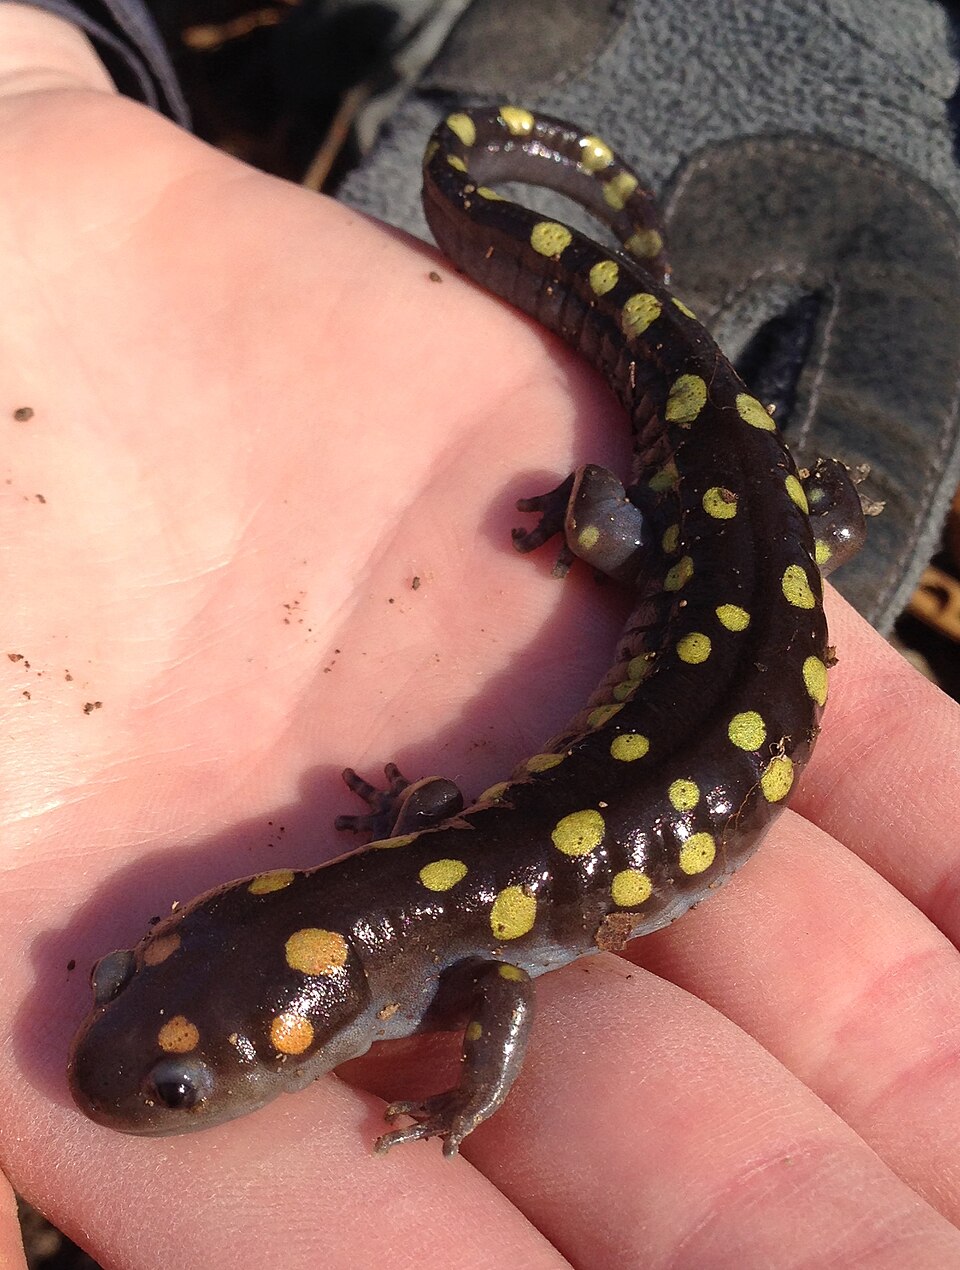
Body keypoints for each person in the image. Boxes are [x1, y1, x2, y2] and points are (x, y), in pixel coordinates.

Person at [3, 5, 960, 1266]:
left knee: (644, 529)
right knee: (652, 530)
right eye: (138, 998)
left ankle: (774, 474)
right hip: (702, 566)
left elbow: (484, 949)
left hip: (694, 552)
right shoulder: (431, 913)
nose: (114, 996)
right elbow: (471, 914)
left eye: (124, 979)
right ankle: (788, 496)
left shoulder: (448, 931)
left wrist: (465, 1093)